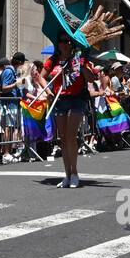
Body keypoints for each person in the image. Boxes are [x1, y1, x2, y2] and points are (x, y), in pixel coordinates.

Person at [36, 34, 96, 187]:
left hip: (77, 99)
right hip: (59, 99)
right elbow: (41, 77)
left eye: (68, 41)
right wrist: (48, 91)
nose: (65, 44)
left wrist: (81, 67)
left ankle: (75, 172)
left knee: (71, 135)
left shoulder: (80, 59)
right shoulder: (53, 60)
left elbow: (90, 79)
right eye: (62, 41)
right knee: (63, 137)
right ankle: (67, 175)